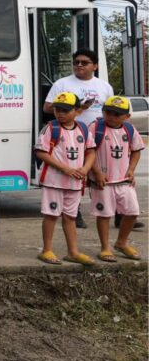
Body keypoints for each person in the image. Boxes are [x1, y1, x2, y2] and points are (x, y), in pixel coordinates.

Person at [43, 48, 114, 229]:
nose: (79, 66)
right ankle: (76, 212)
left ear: (95, 66)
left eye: (84, 63)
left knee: (109, 173)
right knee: (77, 173)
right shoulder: (62, 83)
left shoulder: (104, 86)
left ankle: (118, 211)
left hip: (100, 134)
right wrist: (74, 107)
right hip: (74, 135)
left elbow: (111, 110)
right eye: (76, 63)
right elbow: (47, 107)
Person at [35, 92, 96, 266]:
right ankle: (47, 250)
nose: (60, 113)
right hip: (54, 181)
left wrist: (85, 169)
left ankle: (73, 251)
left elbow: (91, 151)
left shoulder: (83, 129)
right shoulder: (51, 128)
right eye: (57, 110)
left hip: (75, 183)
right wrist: (64, 168)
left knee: (70, 216)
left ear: (77, 111)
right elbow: (41, 152)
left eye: (65, 110)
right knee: (51, 215)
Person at [87, 96, 144, 262]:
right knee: (104, 215)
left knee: (132, 212)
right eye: (108, 112)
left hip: (123, 180)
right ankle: (105, 247)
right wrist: (96, 172)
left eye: (116, 114)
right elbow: (88, 151)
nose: (111, 116)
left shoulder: (129, 129)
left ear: (126, 116)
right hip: (102, 182)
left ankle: (121, 242)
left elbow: (136, 150)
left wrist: (131, 170)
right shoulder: (96, 127)